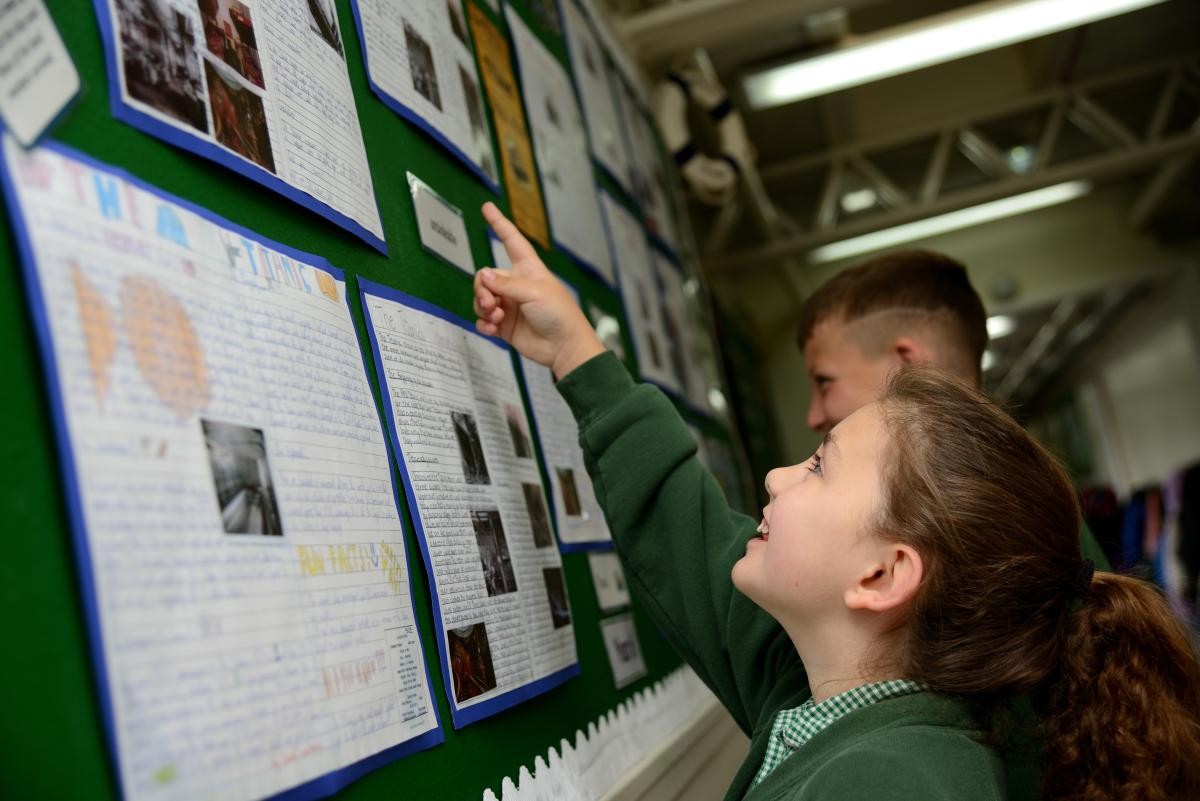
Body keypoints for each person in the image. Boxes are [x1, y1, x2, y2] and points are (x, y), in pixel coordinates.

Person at [472, 202, 1200, 801]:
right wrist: (576, 352)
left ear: (884, 575)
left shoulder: (894, 779)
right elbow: (696, 553)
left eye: (820, 466)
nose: (776, 475)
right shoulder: (841, 682)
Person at [794, 252, 1111, 569]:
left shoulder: (989, 519)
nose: (814, 417)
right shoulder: (1032, 498)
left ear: (907, 364)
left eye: (824, 382)